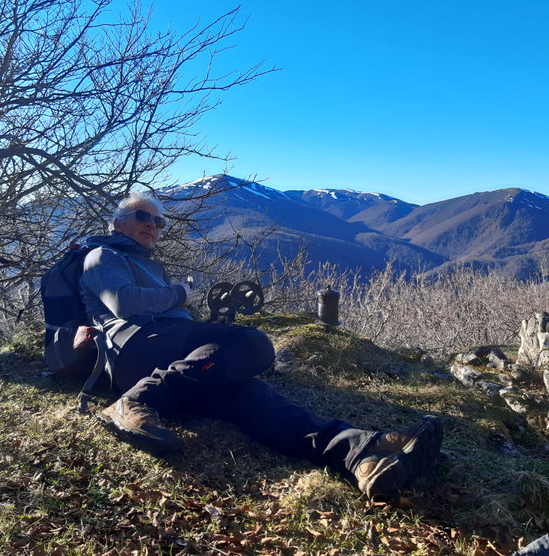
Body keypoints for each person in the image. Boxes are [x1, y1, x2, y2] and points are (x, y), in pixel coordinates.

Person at [79, 192, 443, 500]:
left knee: (254, 397)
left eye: (160, 222)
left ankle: (361, 454)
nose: (153, 226)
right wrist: (182, 293)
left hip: (169, 361)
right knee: (252, 343)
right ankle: (136, 400)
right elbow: (123, 303)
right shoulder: (103, 256)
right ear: (118, 224)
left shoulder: (149, 266)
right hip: (134, 347)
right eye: (143, 217)